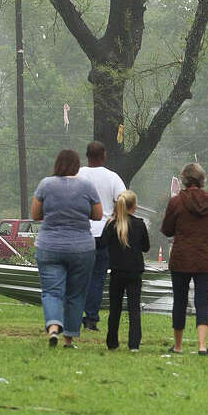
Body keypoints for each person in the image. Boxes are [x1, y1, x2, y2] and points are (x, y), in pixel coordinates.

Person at [32, 149, 103, 348]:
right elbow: (98, 215)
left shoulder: (45, 184)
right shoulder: (87, 186)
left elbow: (36, 214)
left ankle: (53, 327)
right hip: (81, 248)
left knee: (51, 292)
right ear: (77, 165)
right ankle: (69, 338)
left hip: (49, 246)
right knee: (75, 294)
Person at [161, 163, 208, 355]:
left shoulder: (176, 202)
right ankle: (202, 345)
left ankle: (179, 346)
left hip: (182, 257)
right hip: (207, 258)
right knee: (202, 300)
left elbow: (167, 229)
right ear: (202, 179)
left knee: (179, 300)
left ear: (184, 179)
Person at [76, 141, 126, 332]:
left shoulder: (78, 175)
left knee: (79, 276)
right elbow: (124, 200)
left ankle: (73, 313)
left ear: (86, 155)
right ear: (103, 155)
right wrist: (114, 218)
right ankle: (91, 318)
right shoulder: (112, 177)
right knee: (97, 277)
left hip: (80, 231)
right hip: (103, 234)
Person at [101, 190, 149, 352]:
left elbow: (102, 243)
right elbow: (146, 247)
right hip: (135, 271)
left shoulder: (112, 224)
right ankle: (134, 343)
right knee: (134, 308)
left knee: (115, 307)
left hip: (116, 271)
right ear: (134, 206)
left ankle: (112, 341)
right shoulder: (140, 224)